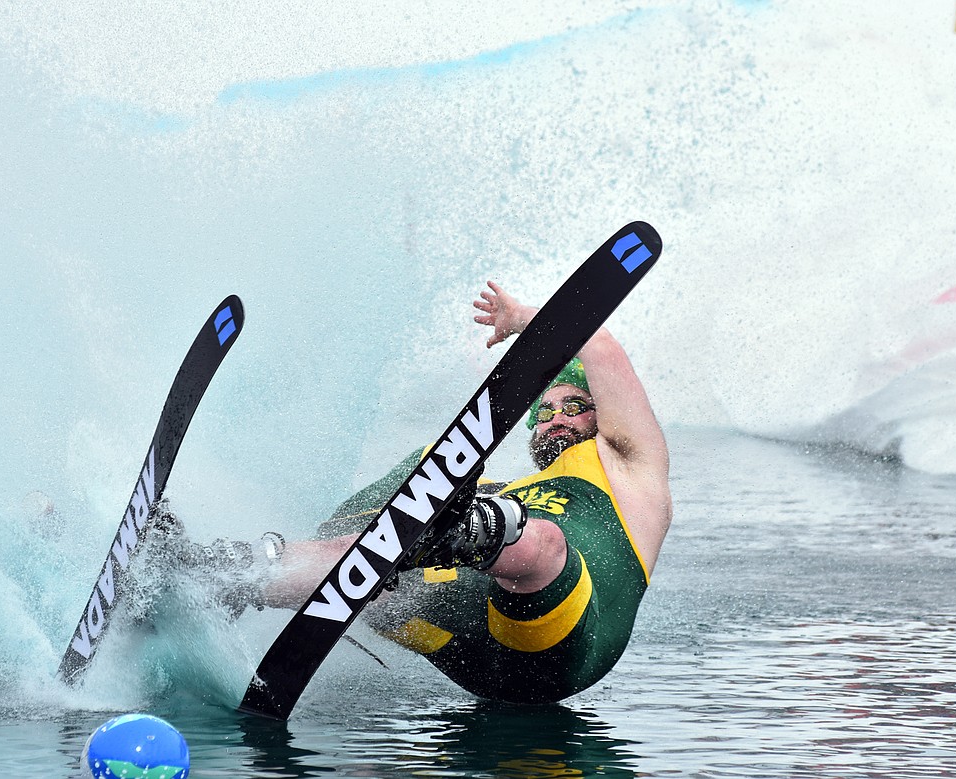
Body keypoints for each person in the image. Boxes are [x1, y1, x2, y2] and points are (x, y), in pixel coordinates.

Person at [161, 280, 672, 704]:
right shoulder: (511, 484)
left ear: (603, 414)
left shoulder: (629, 467)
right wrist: (365, 530)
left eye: (574, 405)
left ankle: (458, 533)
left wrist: (522, 319)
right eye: (545, 411)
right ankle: (215, 574)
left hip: (565, 639)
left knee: (539, 541)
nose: (556, 418)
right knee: (365, 558)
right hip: (467, 647)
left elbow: (599, 343)